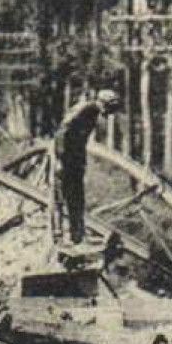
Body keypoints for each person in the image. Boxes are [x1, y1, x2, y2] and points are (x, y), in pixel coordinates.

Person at [51, 88, 123, 248]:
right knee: (59, 198)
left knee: (77, 198)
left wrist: (81, 161)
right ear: (104, 103)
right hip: (64, 160)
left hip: (75, 161)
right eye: (110, 108)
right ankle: (58, 237)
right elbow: (62, 133)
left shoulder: (93, 114)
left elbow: (80, 140)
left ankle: (78, 236)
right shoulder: (83, 109)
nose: (110, 113)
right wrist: (60, 160)